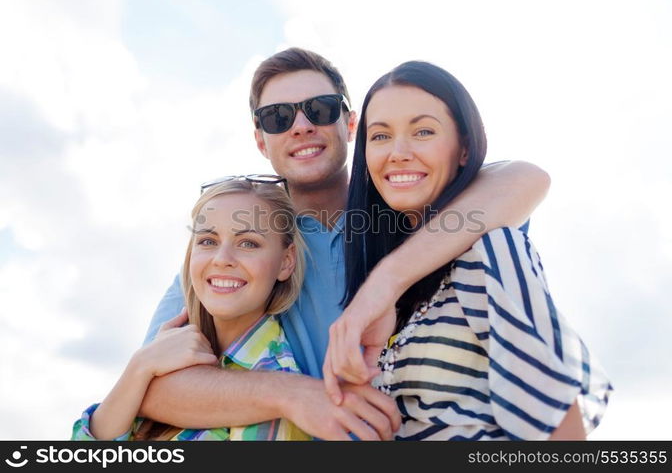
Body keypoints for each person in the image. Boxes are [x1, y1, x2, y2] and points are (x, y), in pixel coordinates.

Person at [139, 48, 552, 440]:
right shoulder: (242, 247)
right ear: (261, 141)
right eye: (278, 116)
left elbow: (524, 178)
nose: (301, 126)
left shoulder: (416, 208)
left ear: (350, 124)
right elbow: (153, 390)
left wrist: (385, 283)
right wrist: (293, 393)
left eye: (320, 109)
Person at [325, 61, 612, 440]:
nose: (398, 152)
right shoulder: (378, 272)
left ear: (463, 149)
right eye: (379, 136)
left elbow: (559, 425)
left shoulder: (491, 251)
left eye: (423, 131)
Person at [72, 179, 310, 440]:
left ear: (285, 262)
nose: (221, 259)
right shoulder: (163, 355)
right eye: (208, 241)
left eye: (248, 243)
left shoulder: (278, 393)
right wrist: (141, 366)